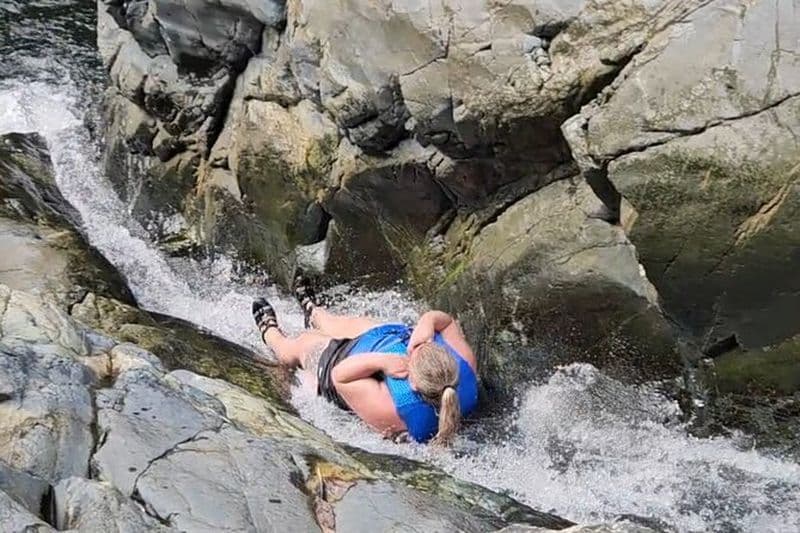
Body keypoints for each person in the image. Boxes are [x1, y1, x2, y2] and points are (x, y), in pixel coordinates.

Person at [252, 275, 479, 445]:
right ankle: (314, 312)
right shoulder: (464, 363)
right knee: (339, 322)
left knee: (304, 343)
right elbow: (446, 322)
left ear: (413, 383)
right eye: (418, 345)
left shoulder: (398, 409)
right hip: (382, 340)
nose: (410, 349)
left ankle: (271, 333)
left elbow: (340, 376)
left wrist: (381, 362)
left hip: (350, 368)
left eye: (411, 353)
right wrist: (427, 322)